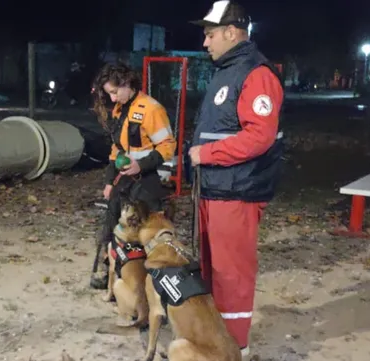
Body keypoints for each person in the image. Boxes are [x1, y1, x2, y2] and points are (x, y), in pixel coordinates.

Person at [187, 1, 285, 357]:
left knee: (232, 275)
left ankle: (235, 348)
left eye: (210, 34)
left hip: (237, 192)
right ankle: (218, 341)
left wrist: (205, 154)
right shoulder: (227, 71)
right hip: (216, 190)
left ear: (232, 32)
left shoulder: (256, 74)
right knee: (214, 273)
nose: (204, 42)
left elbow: (259, 136)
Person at [89, 62, 178, 289]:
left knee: (145, 231)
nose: (112, 98)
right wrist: (110, 182)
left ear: (127, 84)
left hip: (148, 180)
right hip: (125, 178)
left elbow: (168, 145)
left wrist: (142, 165)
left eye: (114, 91)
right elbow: (117, 148)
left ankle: (155, 284)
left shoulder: (151, 109)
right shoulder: (120, 109)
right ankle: (116, 273)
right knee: (113, 224)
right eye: (109, 93)